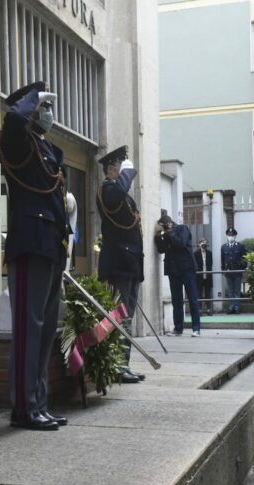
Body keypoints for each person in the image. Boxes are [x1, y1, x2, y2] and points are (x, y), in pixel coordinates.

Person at [0, 81, 69, 431]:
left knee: (44, 331)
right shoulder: (14, 138)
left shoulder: (46, 148)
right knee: (29, 329)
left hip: (51, 245)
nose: (47, 113)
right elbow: (12, 122)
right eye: (42, 107)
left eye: (45, 107)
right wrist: (30, 99)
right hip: (29, 245)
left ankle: (39, 403)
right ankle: (24, 409)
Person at [96, 145, 145, 384]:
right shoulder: (108, 190)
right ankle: (116, 365)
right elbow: (115, 198)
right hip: (119, 264)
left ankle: (123, 364)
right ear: (111, 169)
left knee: (127, 315)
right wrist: (127, 174)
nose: (123, 172)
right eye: (119, 167)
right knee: (120, 315)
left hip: (130, 263)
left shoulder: (119, 192)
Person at [155, 214, 202, 336]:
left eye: (164, 227)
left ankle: (196, 328)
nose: (164, 229)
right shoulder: (165, 233)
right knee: (176, 300)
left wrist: (169, 232)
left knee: (192, 299)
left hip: (187, 268)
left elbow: (180, 243)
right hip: (173, 270)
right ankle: (178, 328)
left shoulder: (182, 229)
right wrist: (158, 236)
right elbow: (161, 249)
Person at [221, 227, 247, 314]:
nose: (230, 237)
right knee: (231, 290)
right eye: (229, 235)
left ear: (235, 236)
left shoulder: (240, 246)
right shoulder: (224, 247)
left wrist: (242, 268)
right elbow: (222, 259)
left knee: (237, 290)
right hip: (228, 272)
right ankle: (231, 307)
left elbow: (245, 258)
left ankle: (236, 307)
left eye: (232, 235)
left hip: (237, 272)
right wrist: (223, 270)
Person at [194, 238, 214, 315]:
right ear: (199, 244)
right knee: (199, 293)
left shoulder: (209, 253)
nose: (204, 244)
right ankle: (199, 310)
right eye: (202, 243)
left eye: (205, 243)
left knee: (208, 293)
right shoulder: (195, 253)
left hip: (208, 276)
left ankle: (208, 309)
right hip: (199, 276)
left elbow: (210, 264)